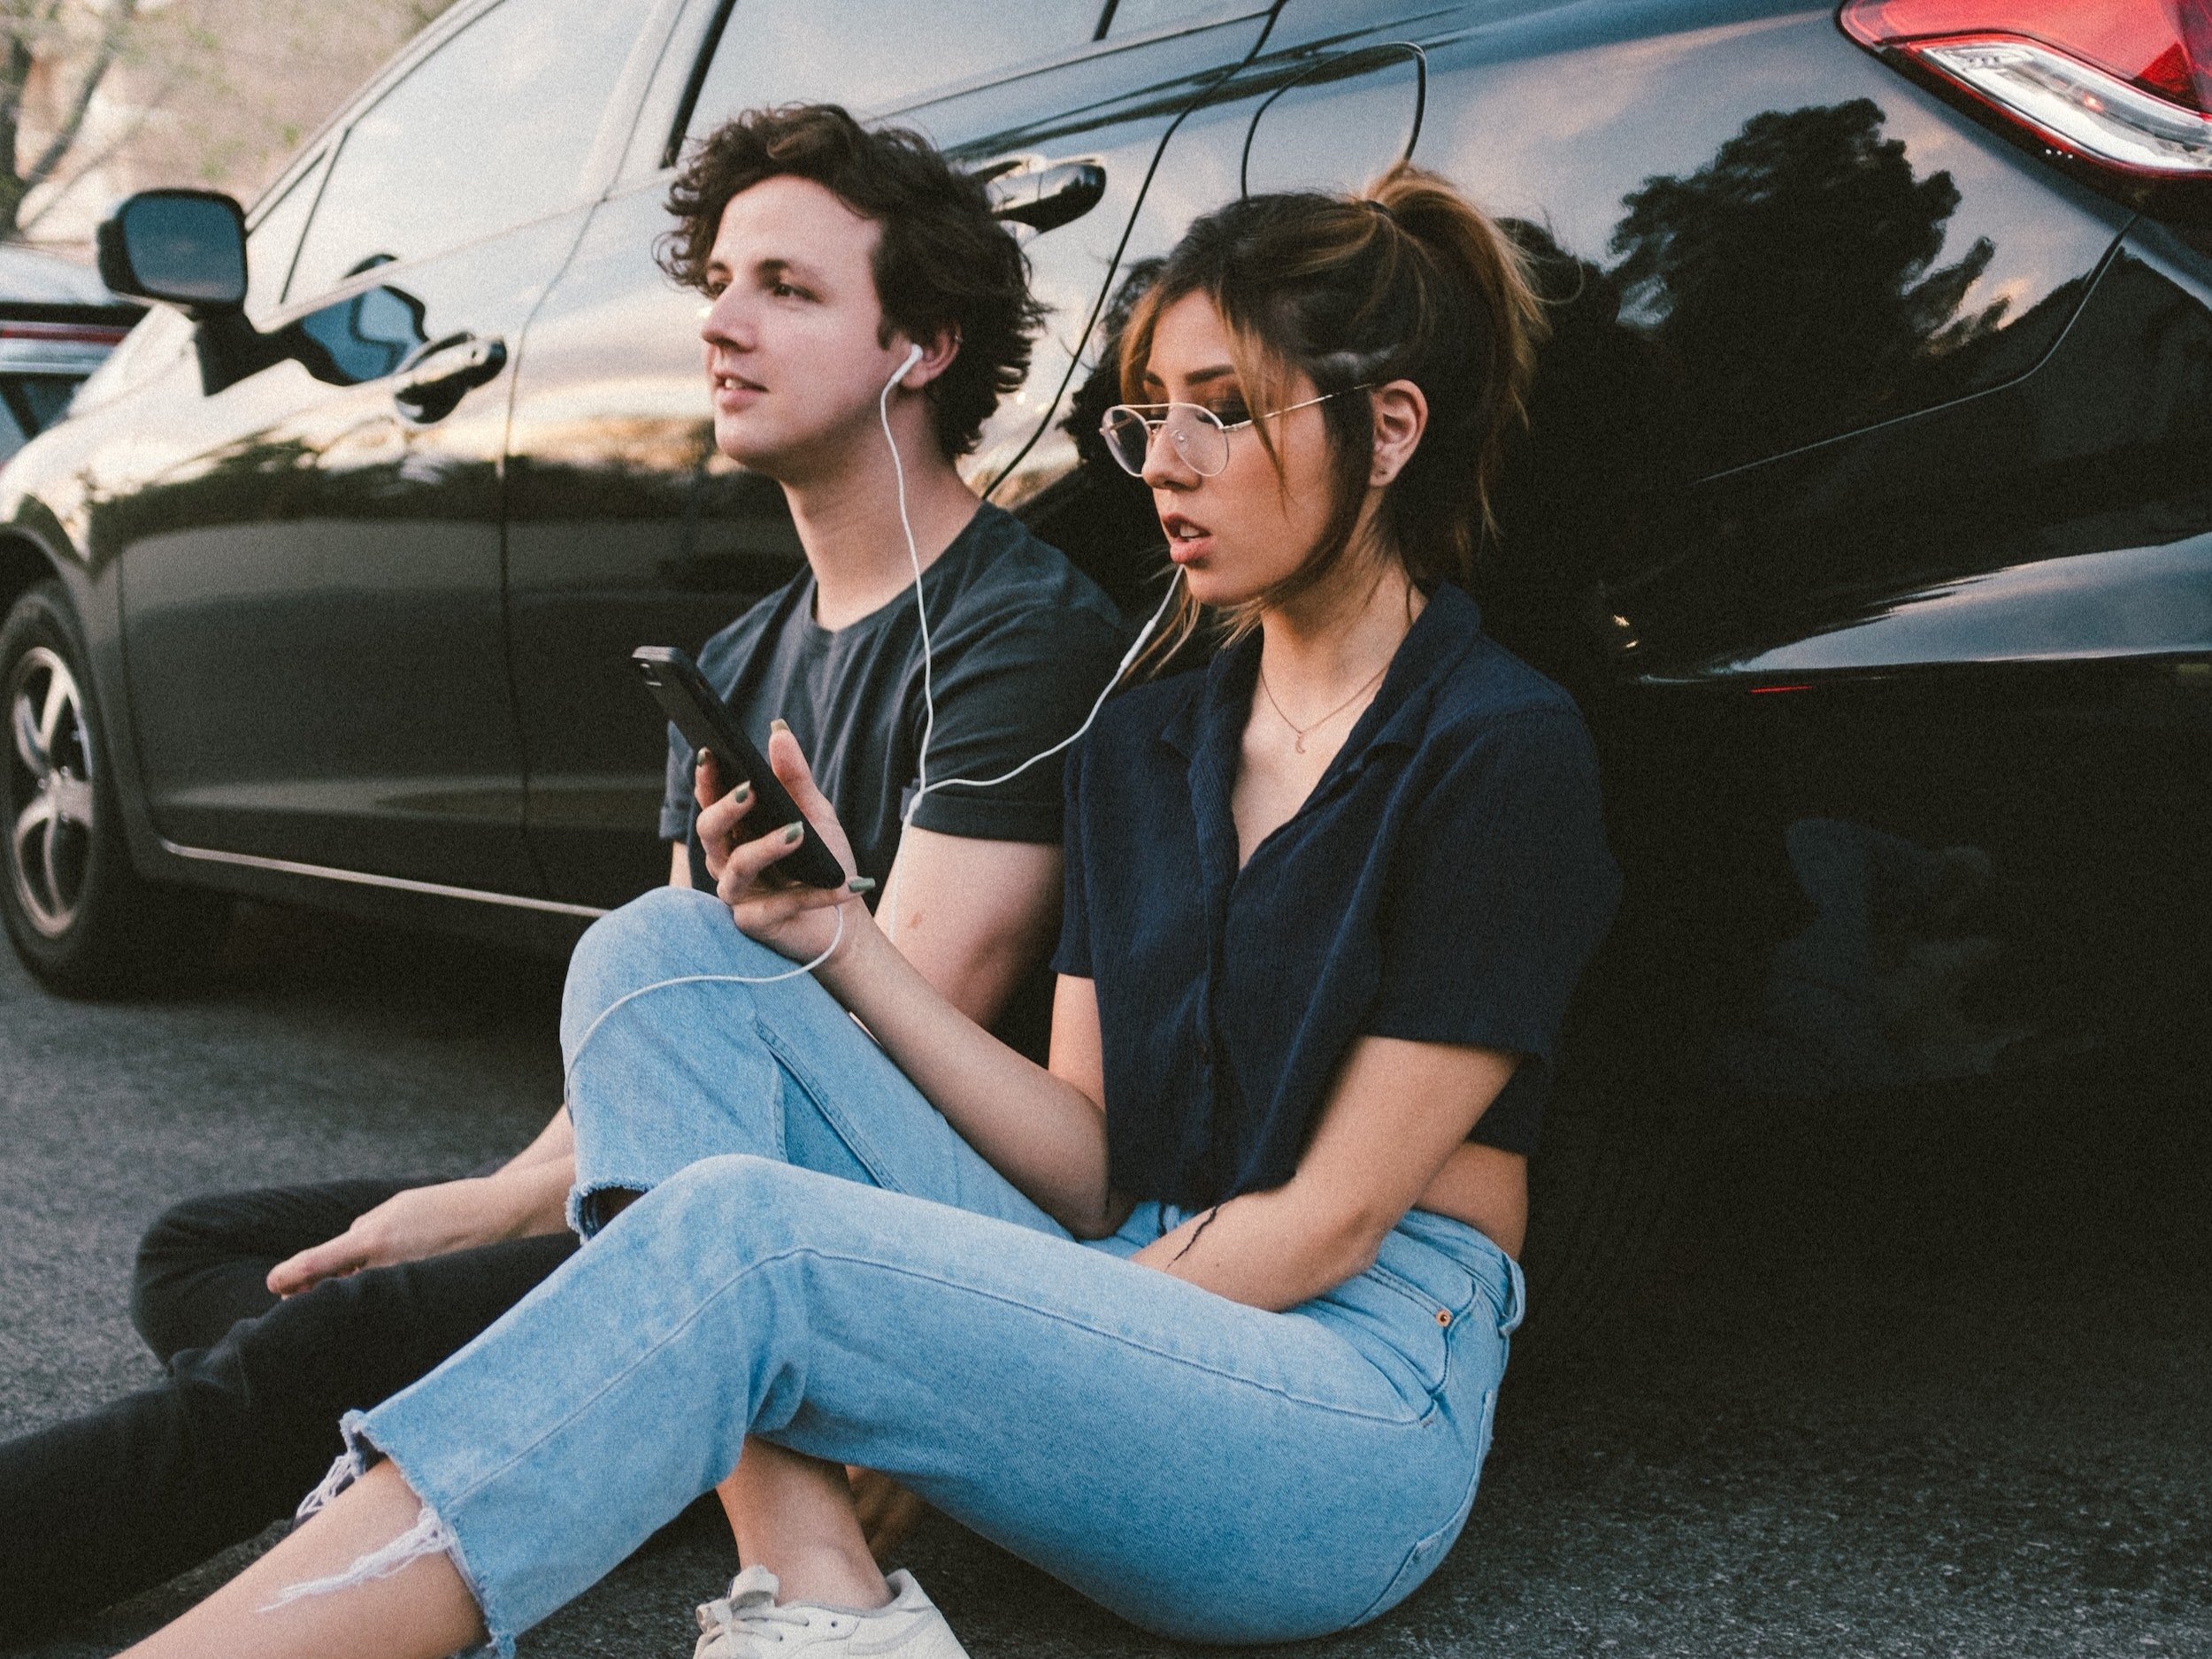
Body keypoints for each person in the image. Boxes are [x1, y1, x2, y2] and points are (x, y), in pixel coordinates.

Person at [117, 160, 1623, 1659]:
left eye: (1222, 411)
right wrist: (839, 940)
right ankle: (817, 1587)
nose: (1165, 461)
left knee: (751, 1243)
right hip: (1131, 1294)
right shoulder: (1143, 743)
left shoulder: (1498, 747)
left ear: (1389, 431)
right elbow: (1088, 1167)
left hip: (1348, 1408)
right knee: (660, 954)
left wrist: (951, 1342)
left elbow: (1327, 1227)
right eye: (1147, 412)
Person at [0, 104, 1129, 1645]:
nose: (721, 323)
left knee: (311, 1344)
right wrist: (498, 1196)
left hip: (851, 1232)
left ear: (922, 348)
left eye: (787, 289)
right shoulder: (741, 656)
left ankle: (564, 1432)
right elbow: (654, 1016)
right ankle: (570, 1444)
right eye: (718, 283)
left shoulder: (1017, 632)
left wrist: (495, 1222)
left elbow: (859, 1069)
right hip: (691, 1177)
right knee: (208, 1253)